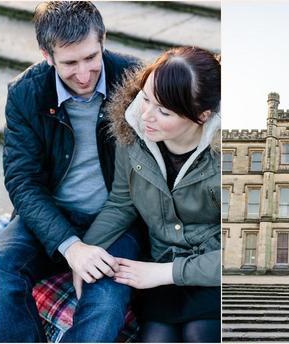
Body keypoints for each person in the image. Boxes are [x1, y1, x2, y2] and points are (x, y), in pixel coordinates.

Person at [0, 2, 142, 342]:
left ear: (102, 40)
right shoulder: (24, 92)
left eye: (91, 57)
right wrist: (70, 247)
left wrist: (94, 242)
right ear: (47, 55)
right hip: (51, 213)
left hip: (117, 217)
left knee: (105, 301)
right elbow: (22, 180)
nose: (84, 74)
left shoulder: (134, 80)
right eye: (70, 63)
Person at [78, 46, 221, 343]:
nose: (146, 116)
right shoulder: (132, 133)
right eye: (145, 98)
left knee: (199, 334)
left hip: (212, 270)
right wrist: (84, 254)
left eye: (163, 111)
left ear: (201, 115)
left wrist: (164, 273)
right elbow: (121, 203)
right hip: (159, 261)